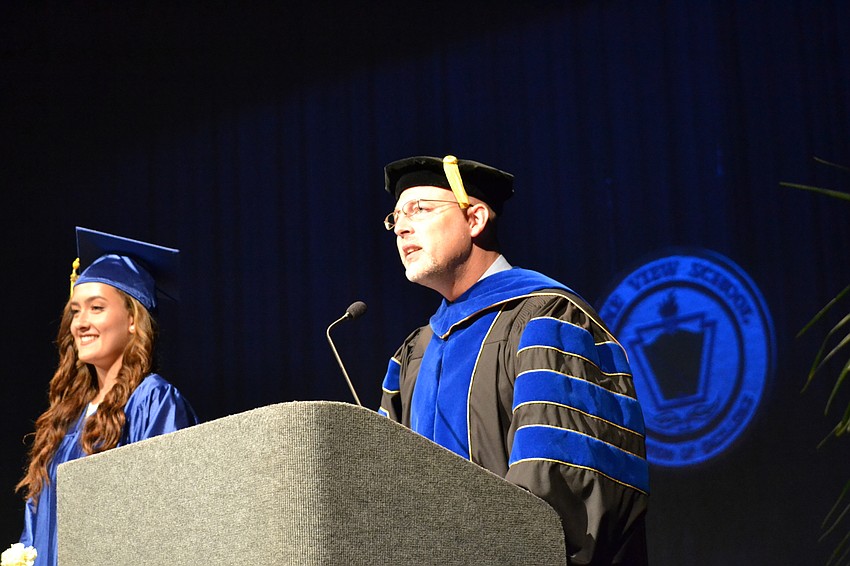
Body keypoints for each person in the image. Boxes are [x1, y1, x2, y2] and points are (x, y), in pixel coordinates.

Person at [378, 155, 649, 565]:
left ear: (475, 219)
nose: (401, 227)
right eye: (395, 216)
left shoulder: (547, 319)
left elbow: (561, 481)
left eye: (421, 209)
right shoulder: (413, 353)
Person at [13, 227, 199, 566]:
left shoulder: (153, 402)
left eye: (96, 308)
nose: (80, 323)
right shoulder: (65, 416)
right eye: (75, 311)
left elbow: (168, 515)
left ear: (132, 319)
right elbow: (35, 525)